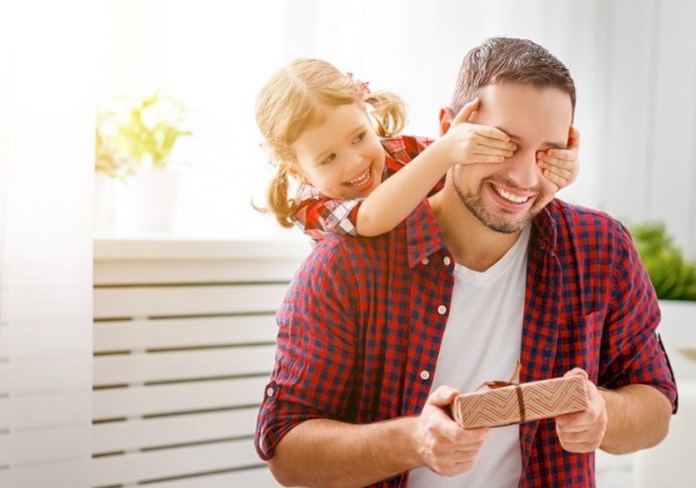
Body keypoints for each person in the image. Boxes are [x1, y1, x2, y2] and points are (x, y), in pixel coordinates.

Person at [255, 37, 678, 488]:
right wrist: (414, 440)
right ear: (450, 128)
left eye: (547, 152)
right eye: (503, 144)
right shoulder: (343, 267)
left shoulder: (600, 248)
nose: (524, 177)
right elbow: (287, 452)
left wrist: (603, 412)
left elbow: (656, 408)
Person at [255, 58, 579, 242]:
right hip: (372, 304)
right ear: (298, 170)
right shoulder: (310, 204)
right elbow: (369, 219)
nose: (355, 161)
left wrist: (551, 167)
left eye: (358, 137)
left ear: (368, 113)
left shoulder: (402, 152)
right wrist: (443, 152)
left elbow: (471, 177)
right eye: (328, 158)